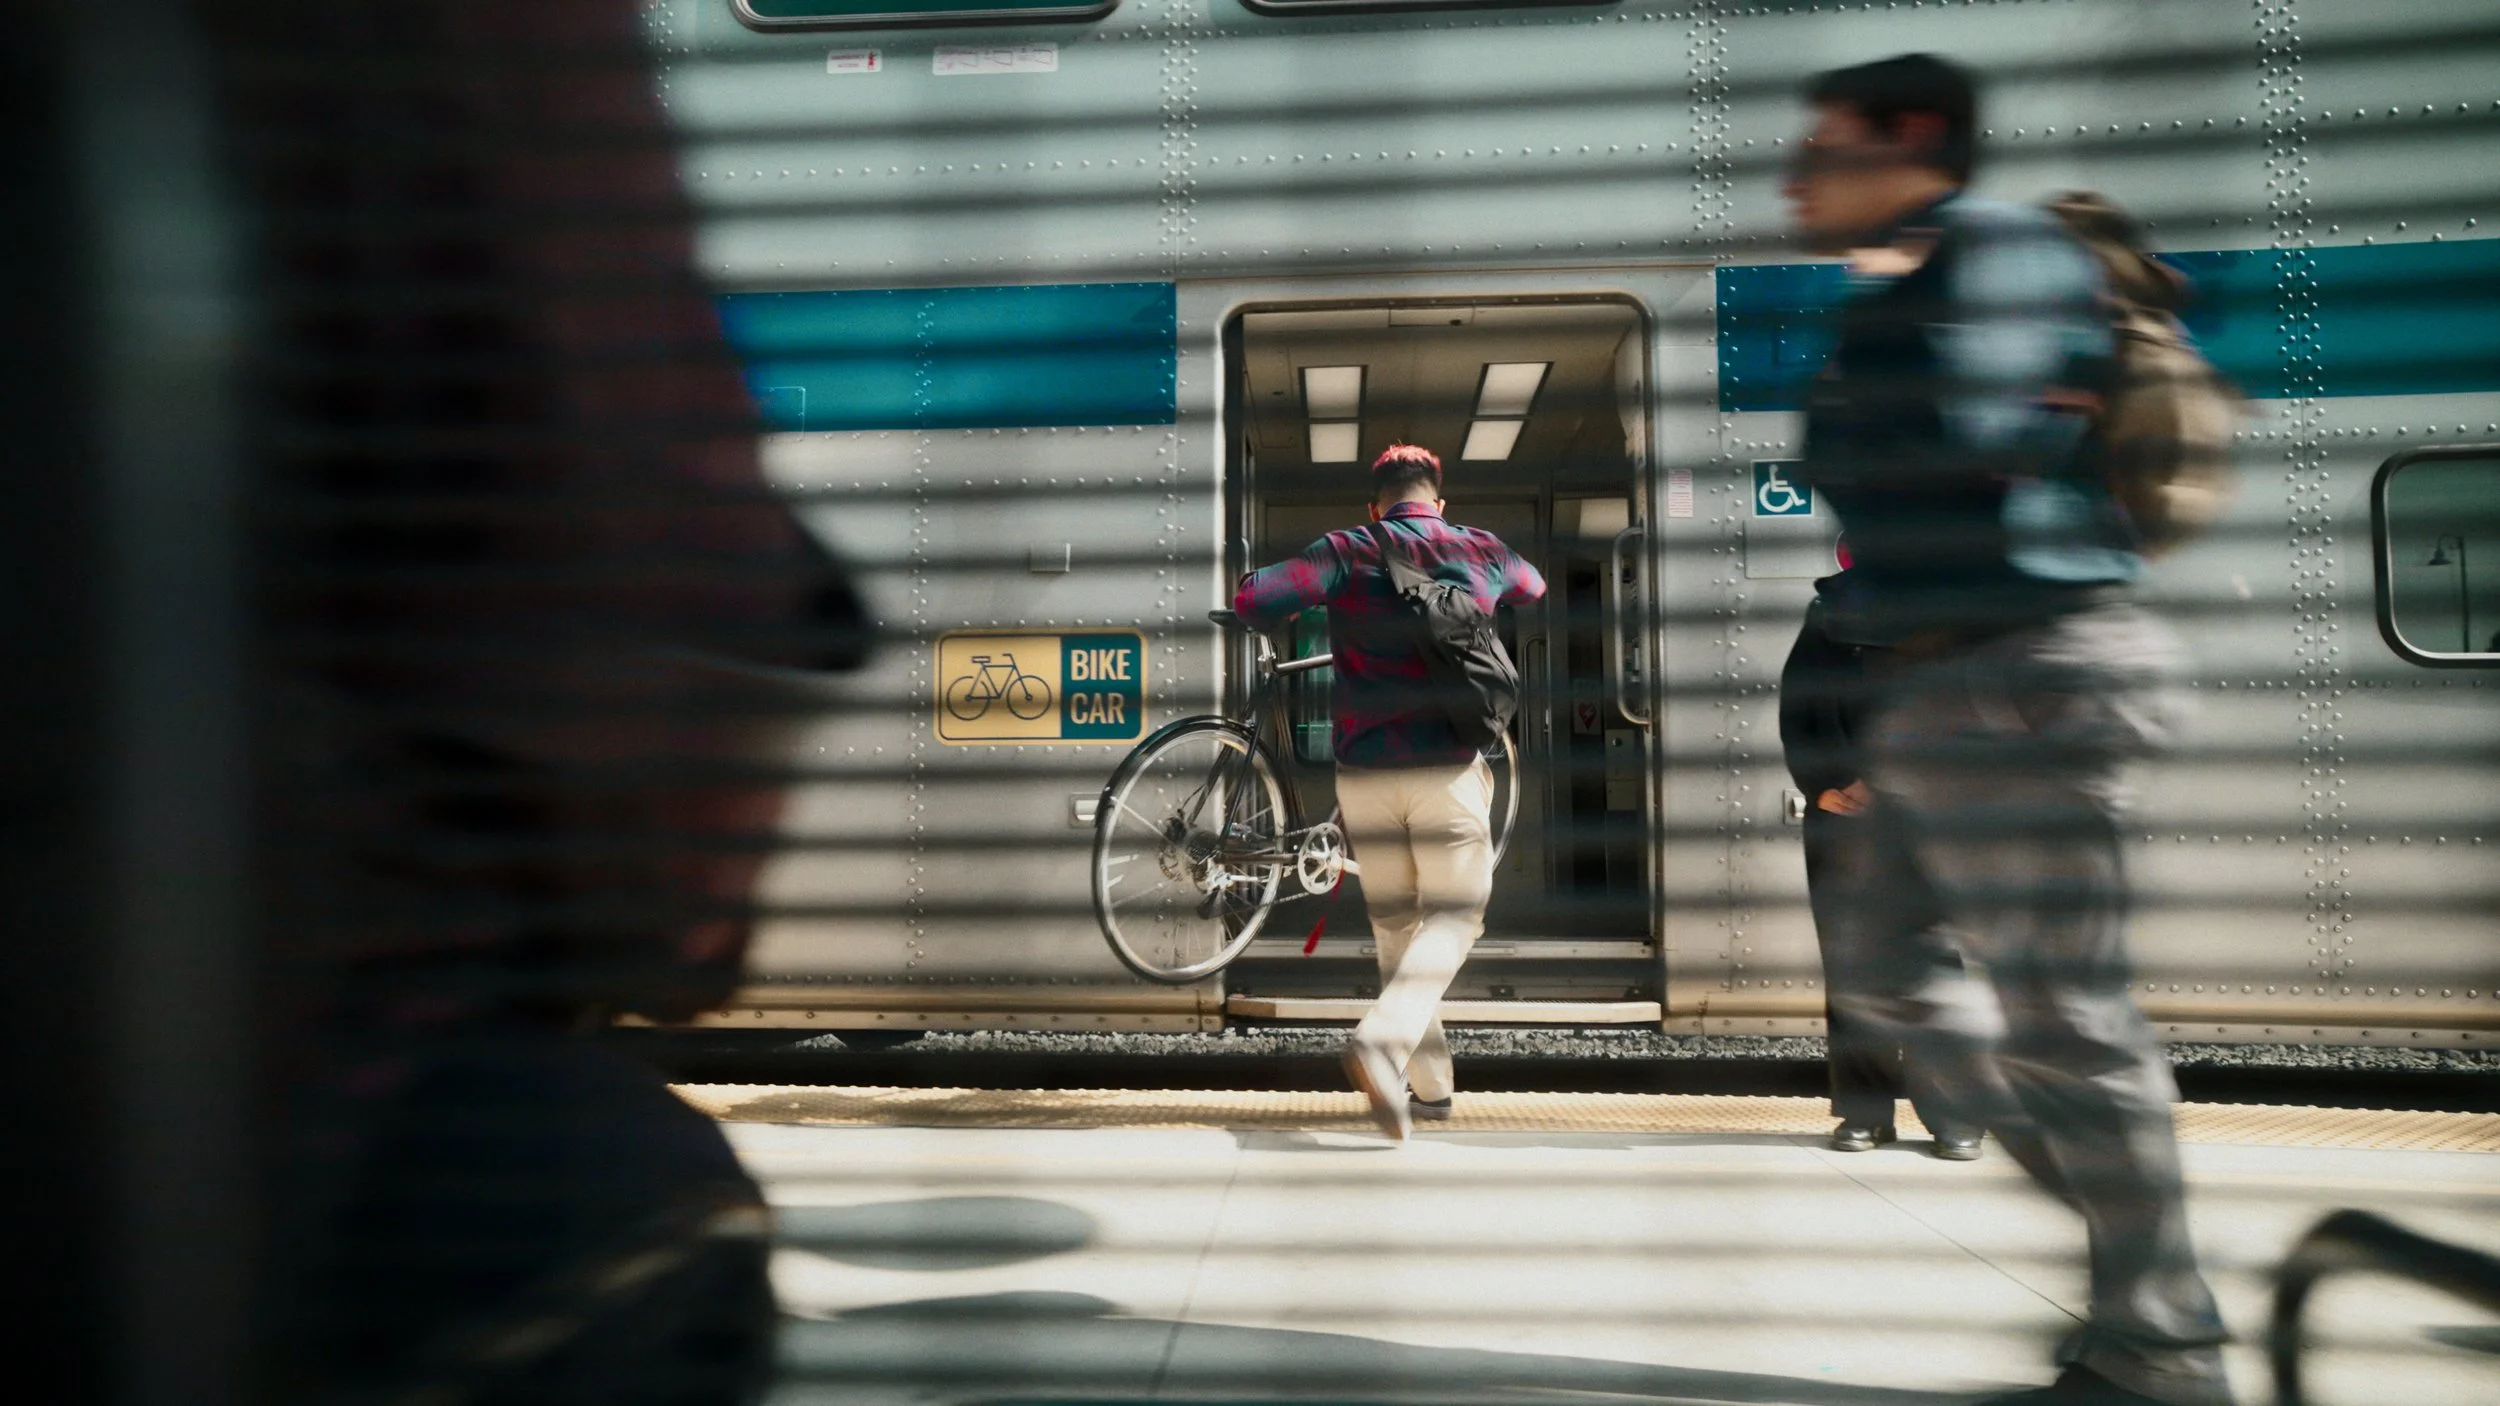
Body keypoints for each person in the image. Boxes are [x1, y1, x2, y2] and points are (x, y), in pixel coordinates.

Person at [1783, 54, 2233, 1406]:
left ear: (1911, 134)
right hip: (1950, 681)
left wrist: (1886, 339)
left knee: (2067, 1019)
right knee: (1887, 971)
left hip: (2026, 669)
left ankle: (2159, 1344)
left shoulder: (1989, 252)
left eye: (1826, 143)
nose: (1798, 172)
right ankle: (2146, 1301)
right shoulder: (1932, 271)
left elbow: (1968, 433)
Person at [1232, 444, 1545, 1140]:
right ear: (1439, 501)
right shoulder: (1478, 547)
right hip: (1449, 770)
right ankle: (1383, 1041)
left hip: (1366, 775)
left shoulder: (1349, 546)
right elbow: (1534, 588)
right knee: (1456, 918)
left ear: (1374, 506)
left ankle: (1429, 1091)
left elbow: (1254, 600)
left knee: (1398, 931)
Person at [1777, 565, 1980, 1160]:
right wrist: (1827, 782)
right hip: (1844, 812)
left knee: (1936, 962)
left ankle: (1953, 1114)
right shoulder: (1832, 611)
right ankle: (1865, 1114)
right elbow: (1800, 707)